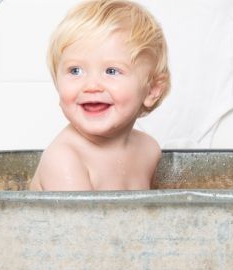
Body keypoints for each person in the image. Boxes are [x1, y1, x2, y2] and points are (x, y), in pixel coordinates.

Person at [29, 0, 170, 191]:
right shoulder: (65, 160)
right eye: (75, 70)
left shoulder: (148, 150)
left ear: (152, 89)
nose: (91, 85)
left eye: (111, 71)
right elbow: (79, 222)